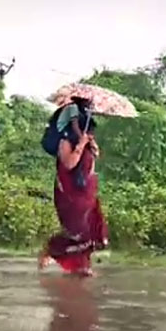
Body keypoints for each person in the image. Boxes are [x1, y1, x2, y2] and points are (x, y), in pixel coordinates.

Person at [38, 109, 109, 277]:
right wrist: (81, 144)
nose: (89, 133)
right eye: (86, 129)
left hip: (87, 195)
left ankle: (82, 267)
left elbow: (92, 162)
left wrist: (92, 147)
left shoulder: (88, 141)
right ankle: (51, 250)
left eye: (90, 131)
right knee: (77, 232)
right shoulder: (65, 142)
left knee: (93, 232)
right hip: (71, 197)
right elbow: (69, 164)